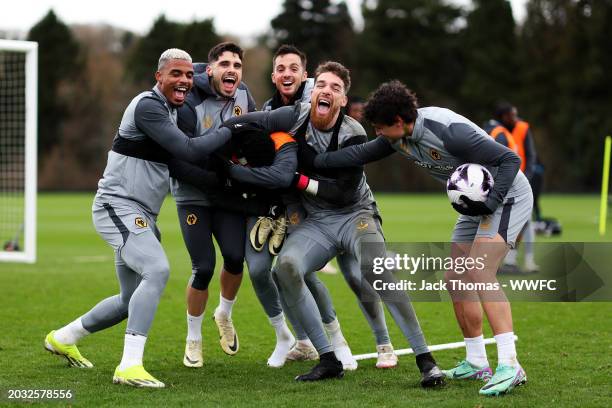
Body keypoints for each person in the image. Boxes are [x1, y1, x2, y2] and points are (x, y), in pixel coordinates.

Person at [313, 80, 531, 396]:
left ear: (399, 122)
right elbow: (359, 154)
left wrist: (492, 202)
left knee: (480, 271)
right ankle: (476, 361)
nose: (377, 133)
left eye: (379, 127)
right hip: (474, 205)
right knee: (456, 277)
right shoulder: (395, 137)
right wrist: (311, 162)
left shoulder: (448, 131)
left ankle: (511, 366)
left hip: (507, 196)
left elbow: (510, 160)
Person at [232, 63, 443, 384]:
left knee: (375, 269)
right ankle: (328, 358)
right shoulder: (295, 116)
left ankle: (425, 359)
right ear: (311, 91)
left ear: (343, 101)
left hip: (354, 214)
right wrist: (221, 135)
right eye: (321, 85)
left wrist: (298, 180)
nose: (326, 91)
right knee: (284, 268)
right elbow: (252, 123)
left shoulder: (352, 132)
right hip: (316, 221)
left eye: (335, 88)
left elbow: (342, 194)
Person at [44, 49, 240, 388]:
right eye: (175, 74)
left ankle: (63, 337)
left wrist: (233, 179)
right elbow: (191, 151)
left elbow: (182, 166)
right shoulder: (148, 106)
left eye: (187, 76)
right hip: (117, 206)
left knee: (127, 301)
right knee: (158, 269)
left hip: (142, 214)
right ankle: (130, 365)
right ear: (158, 77)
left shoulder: (174, 115)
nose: (183, 81)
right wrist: (235, 127)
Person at [173, 42, 256, 368]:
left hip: (227, 193)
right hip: (193, 194)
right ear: (210, 70)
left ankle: (224, 313)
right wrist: (219, 177)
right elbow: (177, 161)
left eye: (237, 64)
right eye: (224, 63)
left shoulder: (244, 96)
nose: (231, 69)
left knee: (236, 258)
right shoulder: (189, 102)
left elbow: (253, 138)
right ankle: (193, 339)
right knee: (204, 267)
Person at [493, 102, 539, 274]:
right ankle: (504, 262)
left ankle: (525, 261)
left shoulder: (522, 128)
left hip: (520, 183)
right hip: (503, 184)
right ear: (503, 117)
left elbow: (531, 155)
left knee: (526, 221)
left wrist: (525, 179)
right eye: (512, 115)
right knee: (506, 221)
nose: (515, 118)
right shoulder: (498, 132)